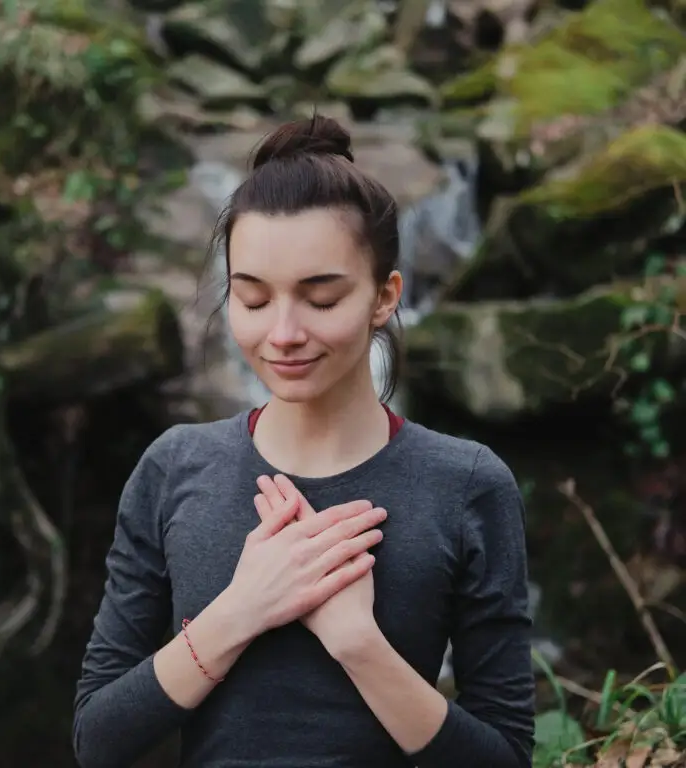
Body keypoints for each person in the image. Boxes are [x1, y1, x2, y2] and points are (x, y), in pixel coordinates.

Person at [73, 115, 535, 768]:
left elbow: (506, 760)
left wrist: (358, 646)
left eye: (321, 298)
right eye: (253, 300)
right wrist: (242, 610)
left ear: (384, 296)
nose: (283, 333)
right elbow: (98, 740)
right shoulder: (174, 467)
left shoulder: (465, 485)